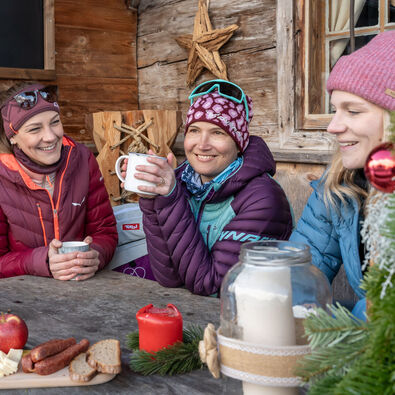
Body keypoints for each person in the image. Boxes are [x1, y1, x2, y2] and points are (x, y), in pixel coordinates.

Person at [123, 79, 293, 295]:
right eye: (194, 130)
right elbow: (168, 276)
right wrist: (152, 198)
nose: (202, 144)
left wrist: (172, 198)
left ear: (238, 142)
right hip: (195, 318)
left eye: (217, 132)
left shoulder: (263, 199)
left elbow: (211, 286)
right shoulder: (183, 181)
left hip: (249, 320)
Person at [290, 31, 395, 319]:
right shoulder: (339, 182)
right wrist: (270, 302)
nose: (333, 126)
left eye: (353, 111)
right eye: (335, 110)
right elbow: (299, 267)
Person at [0, 82, 118, 280]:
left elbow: (105, 232)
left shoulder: (81, 159)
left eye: (54, 122)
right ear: (13, 137)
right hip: (21, 300)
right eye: (35, 129)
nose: (50, 136)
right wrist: (42, 261)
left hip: (83, 292)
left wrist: (96, 255)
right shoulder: (3, 177)